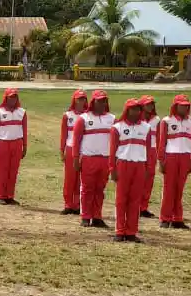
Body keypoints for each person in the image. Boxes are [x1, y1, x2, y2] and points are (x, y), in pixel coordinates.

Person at [108, 98, 155, 243]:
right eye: (133, 109)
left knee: (135, 200)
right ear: (127, 110)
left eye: (138, 109)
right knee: (121, 200)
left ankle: (131, 231)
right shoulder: (118, 127)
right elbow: (112, 150)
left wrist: (147, 168)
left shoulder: (146, 128)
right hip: (123, 164)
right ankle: (119, 230)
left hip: (139, 165)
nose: (136, 112)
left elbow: (147, 149)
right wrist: (112, 169)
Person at [72, 90, 114, 228]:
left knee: (100, 189)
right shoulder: (83, 118)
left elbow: (117, 141)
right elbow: (76, 140)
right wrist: (75, 158)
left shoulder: (112, 119)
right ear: (93, 102)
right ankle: (85, 216)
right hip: (89, 158)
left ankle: (97, 216)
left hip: (105, 159)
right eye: (99, 100)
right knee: (87, 188)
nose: (102, 103)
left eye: (104, 101)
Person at [158, 95, 191, 229]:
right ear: (175, 106)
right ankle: (165, 218)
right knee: (169, 188)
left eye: (187, 105)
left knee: (180, 188)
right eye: (182, 105)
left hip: (185, 156)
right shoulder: (167, 121)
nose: (185, 107)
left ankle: (177, 218)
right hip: (171, 156)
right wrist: (161, 160)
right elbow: (162, 142)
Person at [0, 88, 27, 205]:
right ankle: (1, 195)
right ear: (5, 98)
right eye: (10, 97)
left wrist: (25, 146)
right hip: (3, 143)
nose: (13, 99)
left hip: (17, 143)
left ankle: (10, 196)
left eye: (15, 97)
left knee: (13, 171)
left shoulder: (22, 112)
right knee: (3, 170)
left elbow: (24, 130)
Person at [59, 90, 87, 215]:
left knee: (80, 180)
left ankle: (77, 205)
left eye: (83, 99)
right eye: (79, 99)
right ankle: (68, 204)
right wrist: (62, 150)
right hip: (70, 148)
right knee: (70, 178)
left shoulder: (88, 116)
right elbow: (63, 135)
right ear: (74, 100)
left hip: (84, 150)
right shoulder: (67, 115)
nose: (81, 101)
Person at [138, 95, 160, 219]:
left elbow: (159, 137)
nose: (150, 106)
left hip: (152, 151)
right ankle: (135, 205)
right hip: (139, 150)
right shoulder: (136, 118)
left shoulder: (156, 119)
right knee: (138, 178)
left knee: (149, 179)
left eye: (152, 104)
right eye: (147, 104)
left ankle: (143, 207)